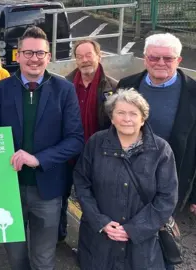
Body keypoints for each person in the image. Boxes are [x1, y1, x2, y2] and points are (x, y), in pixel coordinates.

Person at [0, 26, 84, 270]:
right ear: (18, 56)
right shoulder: (0, 90)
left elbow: (75, 140)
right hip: (9, 188)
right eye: (28, 52)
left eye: (40, 53)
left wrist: (38, 159)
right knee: (16, 258)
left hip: (47, 190)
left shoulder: (65, 90)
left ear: (49, 57)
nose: (34, 59)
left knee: (43, 259)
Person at [73, 88, 178, 269]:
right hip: (99, 240)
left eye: (133, 114)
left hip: (142, 245)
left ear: (143, 119)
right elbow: (82, 184)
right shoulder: (96, 143)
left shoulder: (161, 150)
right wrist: (100, 221)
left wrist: (133, 229)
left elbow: (167, 198)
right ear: (112, 118)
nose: (127, 119)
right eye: (120, 113)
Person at [117, 33, 196, 270]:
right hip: (126, 180)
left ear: (179, 60)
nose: (160, 63)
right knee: (126, 236)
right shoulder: (126, 86)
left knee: (162, 239)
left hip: (170, 182)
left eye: (167, 58)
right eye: (154, 57)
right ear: (144, 58)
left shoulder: (194, 93)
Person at [59, 39, 117, 242]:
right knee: (61, 196)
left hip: (97, 157)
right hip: (67, 155)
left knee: (94, 201)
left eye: (88, 55)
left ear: (99, 56)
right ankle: (59, 234)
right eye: (80, 56)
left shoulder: (113, 88)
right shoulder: (63, 85)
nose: (84, 60)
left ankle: (93, 241)